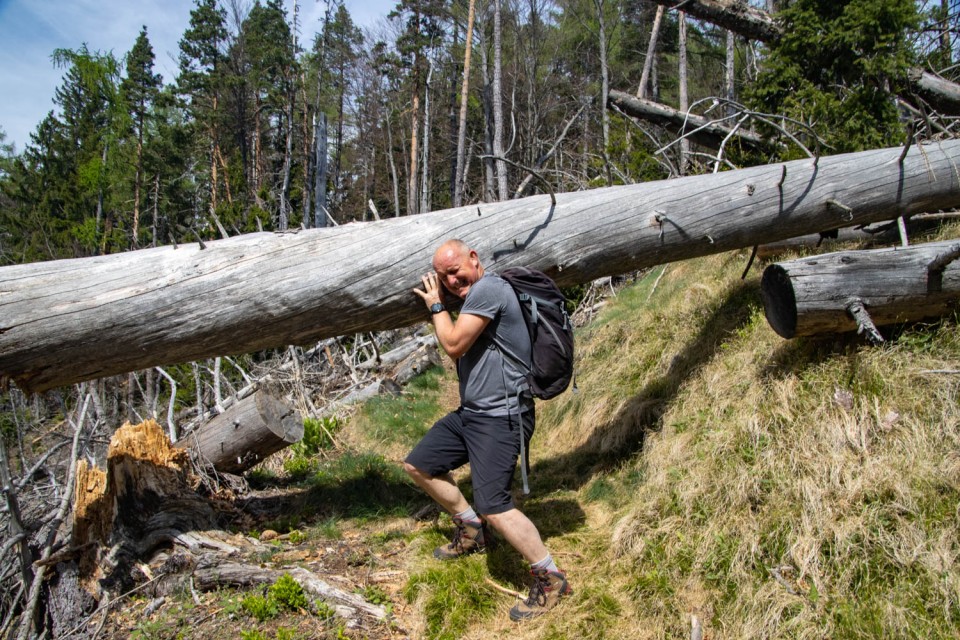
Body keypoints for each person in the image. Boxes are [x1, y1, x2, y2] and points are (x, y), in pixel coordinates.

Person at [406, 239, 572, 621]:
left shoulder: (489, 289)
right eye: (443, 276)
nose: (450, 280)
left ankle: (550, 576)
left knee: (495, 506)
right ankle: (471, 528)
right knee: (419, 465)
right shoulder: (474, 296)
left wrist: (435, 304)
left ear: (474, 259)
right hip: (472, 414)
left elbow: (452, 344)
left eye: (455, 270)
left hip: (503, 417)